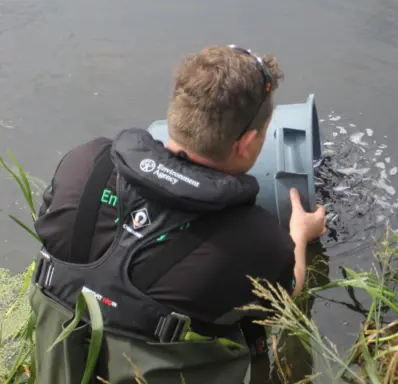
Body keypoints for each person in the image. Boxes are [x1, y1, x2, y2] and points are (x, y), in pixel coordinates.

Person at [29, 44, 327, 383]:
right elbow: (287, 292)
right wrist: (299, 235)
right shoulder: (253, 239)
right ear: (246, 144)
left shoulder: (85, 165)